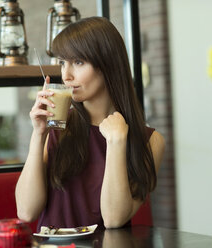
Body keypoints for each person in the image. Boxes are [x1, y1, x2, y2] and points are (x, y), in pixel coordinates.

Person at [15, 16, 165, 231]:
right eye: (62, 63)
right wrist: (38, 135)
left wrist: (116, 142)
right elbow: (26, 211)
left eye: (78, 62)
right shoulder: (57, 126)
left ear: (107, 64)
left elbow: (114, 219)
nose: (66, 75)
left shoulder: (150, 141)